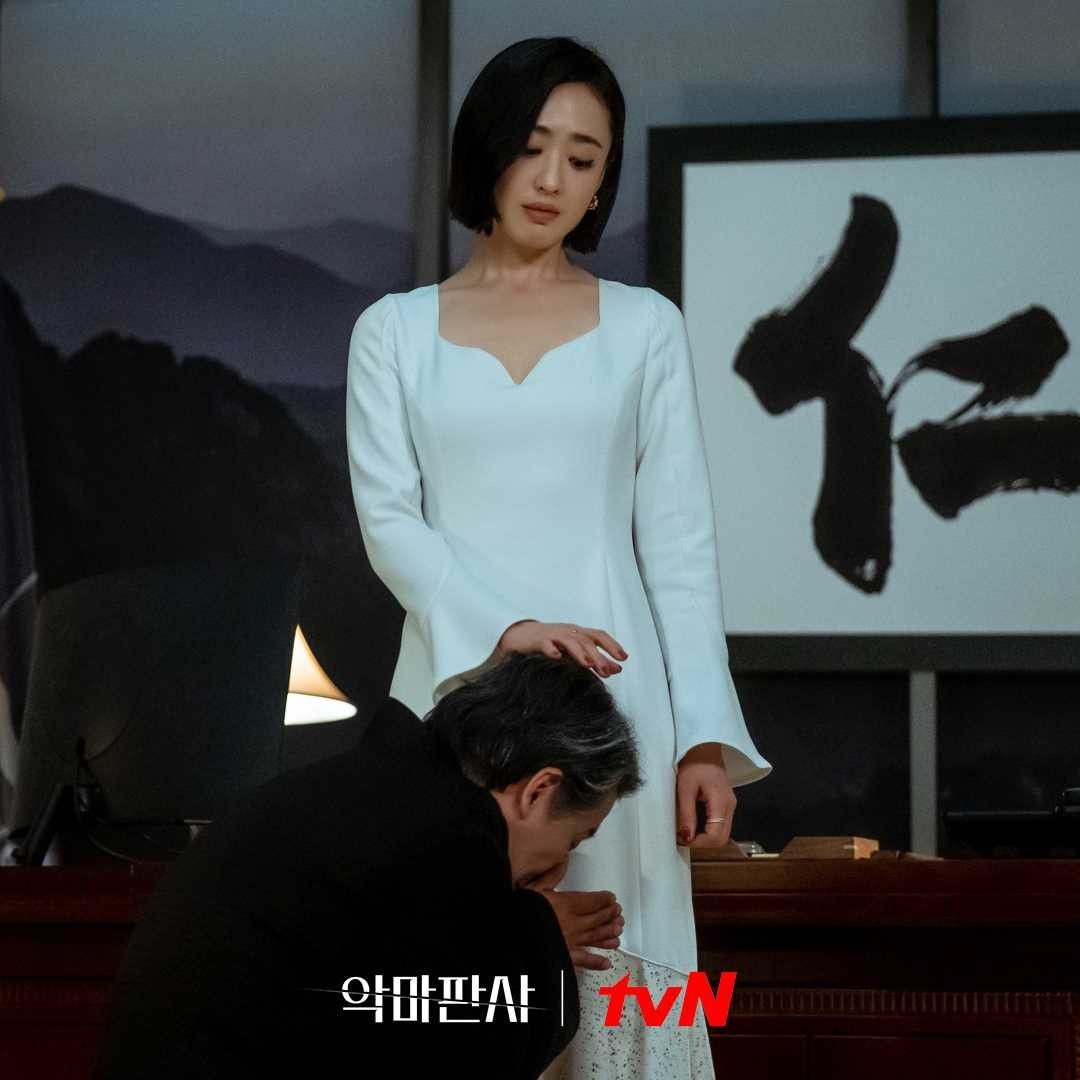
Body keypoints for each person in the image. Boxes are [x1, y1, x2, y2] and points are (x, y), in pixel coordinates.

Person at [345, 36, 772, 1079]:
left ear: (602, 182)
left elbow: (680, 546)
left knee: (624, 978)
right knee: (450, 962)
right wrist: (508, 630)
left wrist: (701, 740)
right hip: (454, 698)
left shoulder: (645, 327)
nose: (552, 179)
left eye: (584, 159)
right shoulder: (393, 332)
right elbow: (390, 523)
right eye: (533, 146)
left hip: (614, 711)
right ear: (486, 149)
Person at [93, 651, 641, 1080]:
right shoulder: (445, 839)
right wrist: (538, 936)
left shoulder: (363, 791)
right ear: (539, 790)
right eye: (575, 838)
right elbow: (458, 1058)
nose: (560, 868)